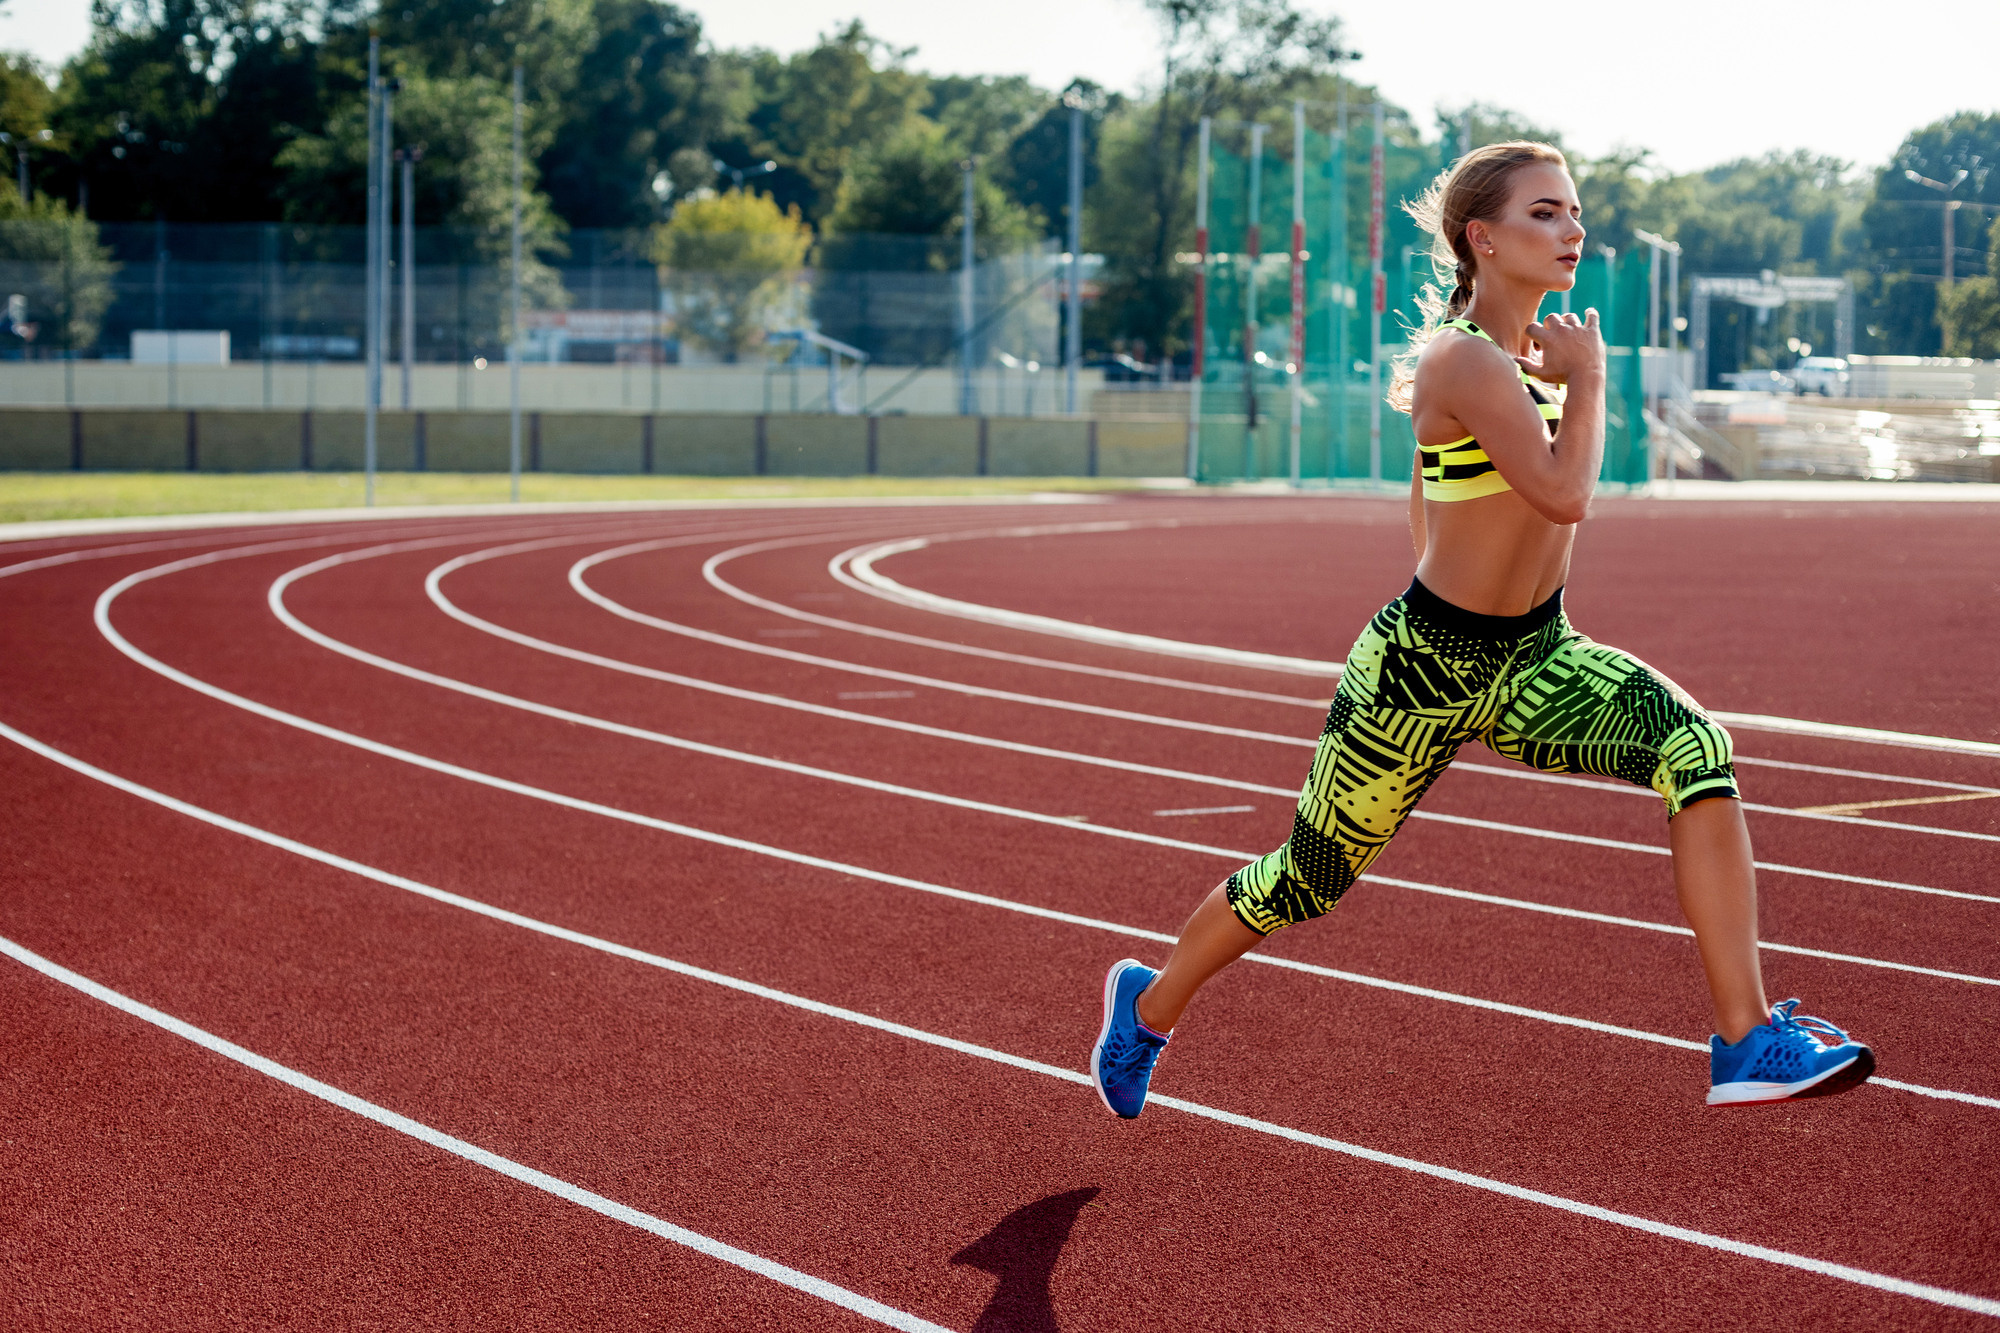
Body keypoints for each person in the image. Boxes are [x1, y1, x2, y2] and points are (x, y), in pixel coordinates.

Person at [1089, 142, 1873, 1116]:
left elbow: (1429, 507)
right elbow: (1562, 495)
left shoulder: (1529, 363)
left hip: (1536, 655)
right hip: (1418, 671)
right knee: (1306, 880)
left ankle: (1745, 1038)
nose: (1571, 229)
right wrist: (1589, 379)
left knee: (1694, 748)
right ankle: (1147, 1006)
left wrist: (1561, 398)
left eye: (1573, 211)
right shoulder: (1460, 358)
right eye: (1544, 212)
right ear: (1483, 238)